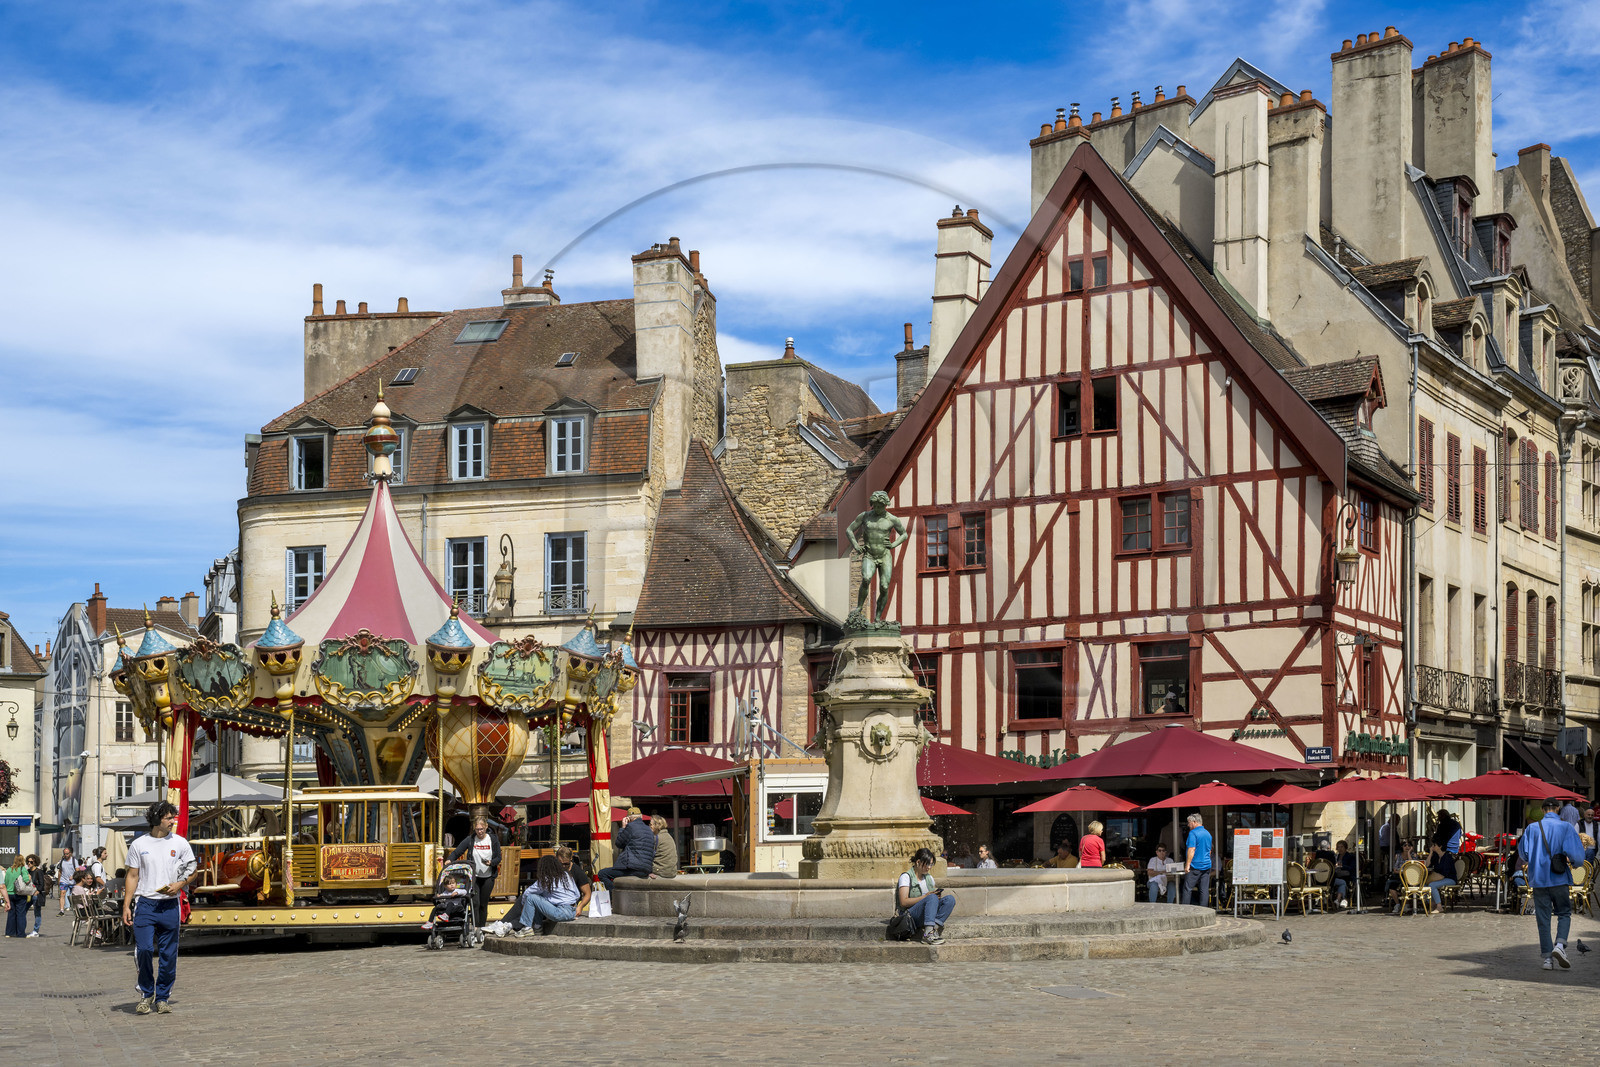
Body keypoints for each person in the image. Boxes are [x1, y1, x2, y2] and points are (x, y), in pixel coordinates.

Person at [123, 801, 198, 1014]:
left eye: (173, 817)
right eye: (169, 818)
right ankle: (146, 993)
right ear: (157, 819)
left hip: (169, 905)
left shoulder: (180, 843)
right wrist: (126, 905)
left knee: (168, 954)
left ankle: (162, 997)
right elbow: (132, 875)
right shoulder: (139, 844)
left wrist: (180, 884)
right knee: (145, 949)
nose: (173, 821)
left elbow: (193, 871)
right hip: (145, 903)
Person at [1519, 796, 1588, 969]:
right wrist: (1575, 863)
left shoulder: (1531, 828)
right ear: (1558, 809)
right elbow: (1578, 857)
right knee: (1564, 913)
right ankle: (1560, 945)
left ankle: (1547, 959)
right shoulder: (1566, 827)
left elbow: (1524, 854)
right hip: (1559, 878)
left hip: (1539, 880)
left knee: (1543, 919)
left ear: (1543, 810)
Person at [510, 854, 588, 937]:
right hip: (572, 910)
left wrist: (523, 905)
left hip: (560, 912)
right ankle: (537, 929)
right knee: (539, 899)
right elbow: (577, 894)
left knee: (531, 897)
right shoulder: (567, 875)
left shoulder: (547, 879)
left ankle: (527, 927)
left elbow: (527, 893)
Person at [446, 815, 501, 929]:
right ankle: (475, 927)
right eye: (477, 829)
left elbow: (498, 858)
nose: (479, 832)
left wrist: (491, 862)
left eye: (481, 829)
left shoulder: (493, 839)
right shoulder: (470, 839)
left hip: (488, 876)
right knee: (474, 903)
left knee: (483, 904)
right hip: (474, 877)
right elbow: (457, 852)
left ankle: (481, 928)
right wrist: (449, 859)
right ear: (474, 829)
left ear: (486, 827)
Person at [895, 847, 955, 945]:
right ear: (918, 862)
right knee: (931, 897)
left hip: (925, 914)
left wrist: (936, 898)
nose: (929, 867)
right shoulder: (906, 877)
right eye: (927, 864)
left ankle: (933, 929)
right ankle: (928, 934)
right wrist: (926, 897)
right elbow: (903, 902)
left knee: (950, 899)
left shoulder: (929, 878)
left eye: (931, 864)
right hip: (910, 916)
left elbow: (931, 899)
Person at [599, 808, 655, 890]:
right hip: (645, 870)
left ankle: (615, 896)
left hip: (633, 868)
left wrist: (623, 827)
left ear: (628, 818)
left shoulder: (631, 827)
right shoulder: (649, 830)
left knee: (602, 873)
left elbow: (619, 844)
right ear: (641, 817)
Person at [1184, 814, 1214, 908]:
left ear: (1194, 822)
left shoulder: (1193, 833)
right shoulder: (1208, 834)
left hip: (1195, 865)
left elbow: (1191, 849)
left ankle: (1184, 910)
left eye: (1189, 823)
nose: (1188, 825)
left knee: (1187, 888)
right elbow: (1209, 851)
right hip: (1206, 865)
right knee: (1204, 889)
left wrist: (1187, 865)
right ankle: (1204, 910)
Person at [3, 857, 34, 937]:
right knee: (21, 914)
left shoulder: (9, 869)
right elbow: (26, 880)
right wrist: (29, 878)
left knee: (11, 914)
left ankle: (10, 932)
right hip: (20, 894)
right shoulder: (22, 869)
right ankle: (21, 933)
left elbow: (5, 881)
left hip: (10, 894)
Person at [1385, 841, 1417, 913]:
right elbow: (1395, 869)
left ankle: (1406, 904)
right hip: (1399, 875)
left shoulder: (1413, 855)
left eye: (1409, 845)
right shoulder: (1398, 855)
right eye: (1405, 845)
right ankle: (1397, 904)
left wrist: (1409, 853)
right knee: (1392, 887)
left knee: (1407, 886)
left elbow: (1412, 865)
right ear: (1402, 847)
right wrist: (1403, 871)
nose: (1407, 847)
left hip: (1409, 877)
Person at [1426, 843, 1457, 914]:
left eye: (1434, 845)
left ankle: (1439, 906)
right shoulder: (1436, 856)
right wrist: (1430, 853)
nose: (1432, 847)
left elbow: (1445, 873)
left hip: (1450, 879)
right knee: (1424, 885)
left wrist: (1432, 879)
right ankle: (1432, 904)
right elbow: (1427, 865)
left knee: (1432, 885)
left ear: (1440, 846)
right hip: (1439, 878)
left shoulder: (1447, 856)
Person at [24, 854, 47, 936]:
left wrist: (37, 891)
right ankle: (22, 929)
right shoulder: (27, 872)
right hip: (28, 895)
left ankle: (36, 931)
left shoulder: (39, 871)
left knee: (37, 913)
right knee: (23, 911)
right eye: (28, 862)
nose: (29, 863)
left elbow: (41, 884)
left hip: (35, 895)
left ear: (35, 862)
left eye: (31, 862)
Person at [1332, 841, 1357, 908]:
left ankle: (1341, 899)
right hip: (1337, 875)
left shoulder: (1350, 857)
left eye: (1342, 847)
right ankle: (1343, 899)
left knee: (1343, 881)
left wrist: (1342, 866)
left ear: (1345, 848)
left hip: (1348, 876)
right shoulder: (1336, 856)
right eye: (1338, 847)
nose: (1340, 849)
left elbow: (1352, 868)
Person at [55, 847, 75, 915]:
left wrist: (74, 876)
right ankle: (62, 910)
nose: (65, 855)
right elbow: (60, 871)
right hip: (64, 881)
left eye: (67, 854)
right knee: (63, 893)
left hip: (73, 881)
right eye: (64, 854)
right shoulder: (62, 861)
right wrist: (59, 880)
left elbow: (78, 871)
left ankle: (73, 907)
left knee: (73, 895)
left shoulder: (74, 861)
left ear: (70, 854)